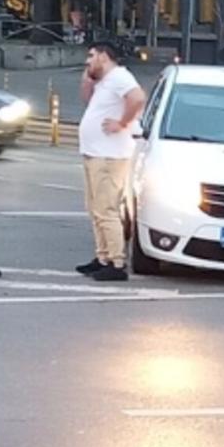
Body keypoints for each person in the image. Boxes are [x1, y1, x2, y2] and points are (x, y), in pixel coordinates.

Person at [76, 40, 148, 282]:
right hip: (94, 152)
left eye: (91, 56)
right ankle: (103, 256)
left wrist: (122, 123)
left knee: (106, 209)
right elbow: (86, 99)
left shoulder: (119, 76)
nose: (87, 60)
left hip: (109, 155)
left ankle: (116, 262)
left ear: (104, 57)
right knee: (95, 208)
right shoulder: (104, 81)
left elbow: (138, 98)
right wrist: (88, 77)